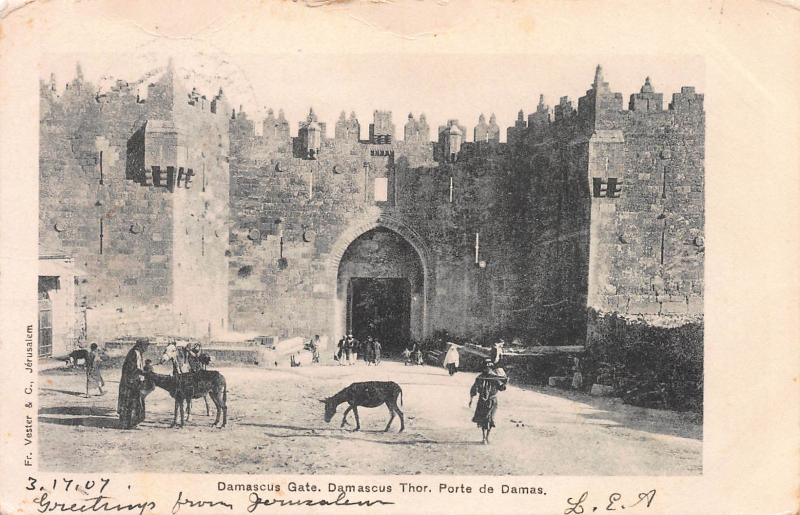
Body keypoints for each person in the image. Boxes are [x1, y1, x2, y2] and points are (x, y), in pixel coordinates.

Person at [469, 360, 508, 444]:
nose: (488, 369)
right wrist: (471, 399)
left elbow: (501, 388)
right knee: (484, 419)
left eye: (489, 368)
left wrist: (505, 382)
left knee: (490, 419)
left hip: (492, 401)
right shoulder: (480, 378)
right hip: (482, 401)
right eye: (486, 368)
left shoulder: (495, 378)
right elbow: (474, 389)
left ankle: (487, 437)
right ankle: (483, 437)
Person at [118, 338, 149, 429]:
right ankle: (129, 424)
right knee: (130, 403)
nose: (146, 348)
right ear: (141, 346)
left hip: (133, 382)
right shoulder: (133, 353)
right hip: (130, 383)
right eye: (145, 346)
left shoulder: (137, 353)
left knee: (135, 402)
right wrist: (142, 373)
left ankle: (132, 422)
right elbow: (131, 369)